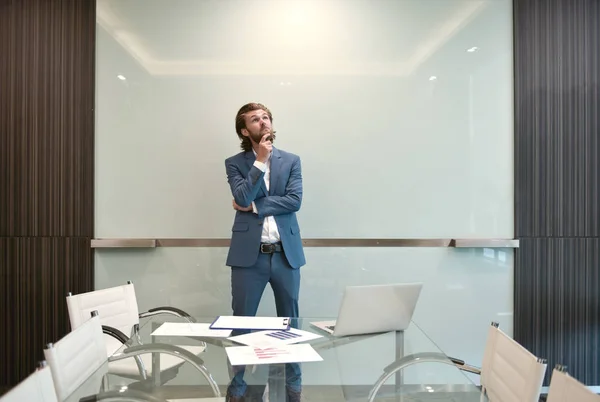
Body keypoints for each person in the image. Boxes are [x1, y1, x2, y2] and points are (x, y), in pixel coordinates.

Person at [224, 102, 306, 402]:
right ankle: (237, 388)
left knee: (291, 323)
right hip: (249, 258)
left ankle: (294, 386)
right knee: (242, 322)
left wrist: (255, 207)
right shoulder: (234, 163)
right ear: (245, 130)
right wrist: (259, 162)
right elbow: (241, 194)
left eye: (266, 117)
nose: (263, 122)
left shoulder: (292, 160)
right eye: (256, 120)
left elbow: (294, 201)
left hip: (286, 254)